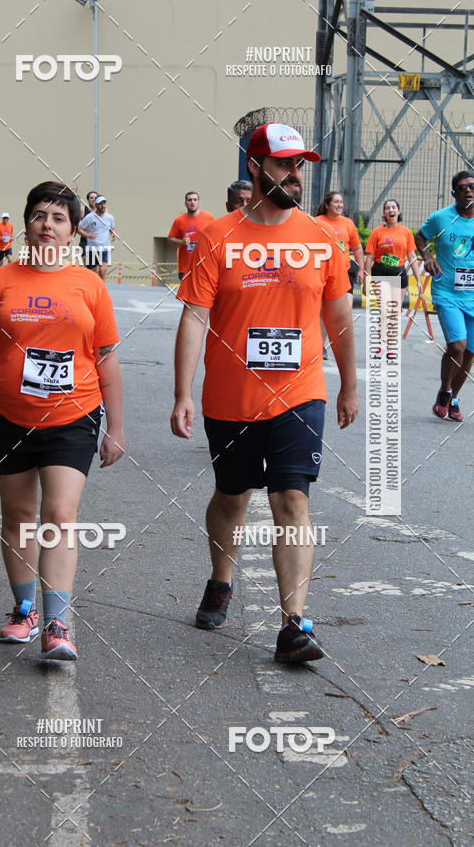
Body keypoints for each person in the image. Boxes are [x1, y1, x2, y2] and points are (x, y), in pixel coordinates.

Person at [170, 122, 358, 663]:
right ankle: (222, 577)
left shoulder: (322, 238)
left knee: (292, 500)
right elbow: (194, 317)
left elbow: (339, 314)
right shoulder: (217, 236)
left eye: (301, 165)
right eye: (284, 164)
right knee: (232, 497)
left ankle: (294, 624)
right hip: (230, 398)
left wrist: (347, 383)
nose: (295, 174)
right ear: (254, 168)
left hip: (300, 393)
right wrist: (182, 392)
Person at [0, 181, 124, 660]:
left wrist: (116, 428)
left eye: (59, 218)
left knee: (60, 515)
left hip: (73, 415)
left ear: (73, 231)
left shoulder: (90, 284)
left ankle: (58, 622)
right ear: (26, 224)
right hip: (6, 415)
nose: (47, 224)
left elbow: (106, 358)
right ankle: (25, 611)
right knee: (19, 517)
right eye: (40, 215)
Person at [415, 170, 474, 421]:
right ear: (454, 193)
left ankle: (453, 398)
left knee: (470, 351)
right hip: (447, 292)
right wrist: (427, 256)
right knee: (457, 346)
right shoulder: (441, 218)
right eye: (462, 187)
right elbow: (419, 236)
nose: (468, 190)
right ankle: (444, 390)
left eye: (472, 186)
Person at [364, 200, 422, 352]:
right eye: (387, 208)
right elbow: (369, 257)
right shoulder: (377, 232)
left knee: (394, 312)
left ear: (398, 211)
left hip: (398, 274)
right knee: (384, 309)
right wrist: (365, 280)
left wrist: (418, 279)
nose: (391, 210)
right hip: (380, 272)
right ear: (384, 213)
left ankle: (390, 346)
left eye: (394, 207)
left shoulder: (406, 232)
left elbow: (412, 257)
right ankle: (381, 343)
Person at [313, 191, 364, 311]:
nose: (339, 205)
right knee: (324, 312)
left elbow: (357, 248)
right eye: (336, 202)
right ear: (327, 205)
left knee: (345, 312)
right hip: (323, 273)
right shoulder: (316, 222)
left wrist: (361, 270)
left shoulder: (348, 223)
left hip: (344, 272)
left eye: (341, 202)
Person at [168, 192, 215, 281]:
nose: (192, 202)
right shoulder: (179, 220)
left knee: (202, 293)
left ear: (199, 202)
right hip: (185, 266)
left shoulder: (208, 217)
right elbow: (170, 239)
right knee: (186, 294)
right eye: (189, 200)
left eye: (195, 200)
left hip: (204, 265)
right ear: (185, 203)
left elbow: (216, 235)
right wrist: (181, 242)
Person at [77, 196, 116, 280]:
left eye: (104, 203)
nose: (103, 206)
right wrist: (89, 235)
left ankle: (101, 292)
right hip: (92, 249)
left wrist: (113, 234)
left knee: (102, 272)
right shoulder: (89, 217)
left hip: (105, 248)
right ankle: (93, 291)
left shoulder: (109, 217)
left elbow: (112, 229)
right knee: (92, 275)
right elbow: (79, 229)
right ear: (96, 205)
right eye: (100, 204)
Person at [80, 191, 99, 270]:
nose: (93, 199)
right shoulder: (83, 210)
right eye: (91, 198)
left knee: (94, 269)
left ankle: (95, 282)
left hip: (97, 242)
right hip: (85, 241)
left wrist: (112, 233)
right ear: (88, 200)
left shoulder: (102, 210)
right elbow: (79, 226)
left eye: (95, 198)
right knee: (87, 267)